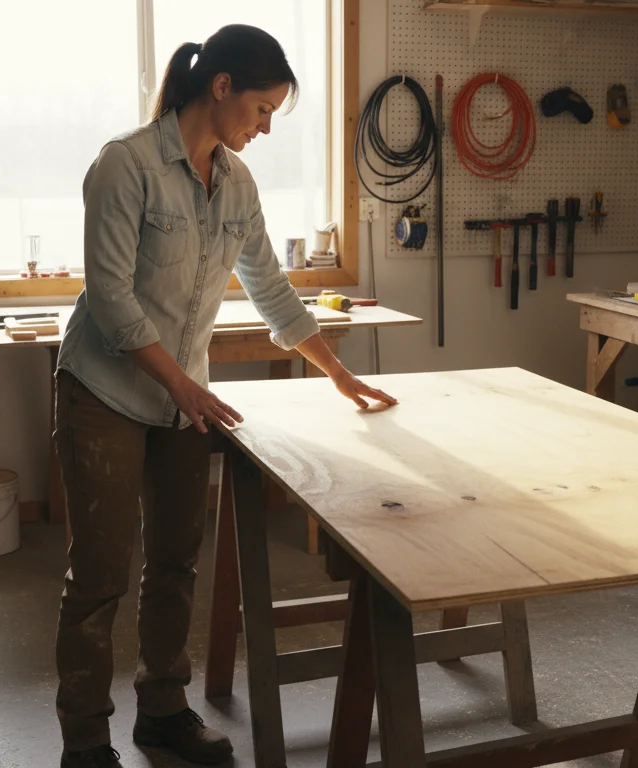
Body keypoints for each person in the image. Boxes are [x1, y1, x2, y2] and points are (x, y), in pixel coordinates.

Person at [53, 24, 396, 768]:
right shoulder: (126, 165)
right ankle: (84, 740)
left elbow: (270, 288)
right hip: (104, 393)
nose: (266, 127)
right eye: (263, 109)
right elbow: (110, 302)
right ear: (221, 88)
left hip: (181, 399)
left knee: (175, 562)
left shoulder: (236, 184)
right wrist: (186, 386)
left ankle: (163, 711)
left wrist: (336, 373)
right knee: (102, 571)